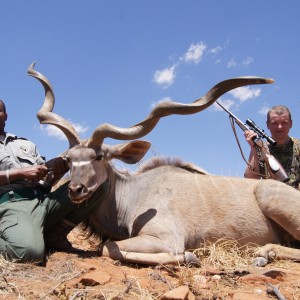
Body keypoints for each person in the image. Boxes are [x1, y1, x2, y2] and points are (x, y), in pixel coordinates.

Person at [0, 99, 108, 263]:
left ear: (5, 116)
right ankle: (25, 237)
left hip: (42, 202)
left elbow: (45, 182)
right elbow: (25, 173)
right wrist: (20, 173)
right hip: (12, 205)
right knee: (28, 253)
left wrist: (56, 171)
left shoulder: (25, 144)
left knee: (99, 184)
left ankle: (54, 236)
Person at [244, 105, 300, 189]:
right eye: (274, 123)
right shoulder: (261, 148)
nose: (279, 127)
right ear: (267, 125)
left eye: (284, 122)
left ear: (291, 124)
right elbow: (250, 179)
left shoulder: (298, 146)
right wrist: (253, 147)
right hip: (270, 199)